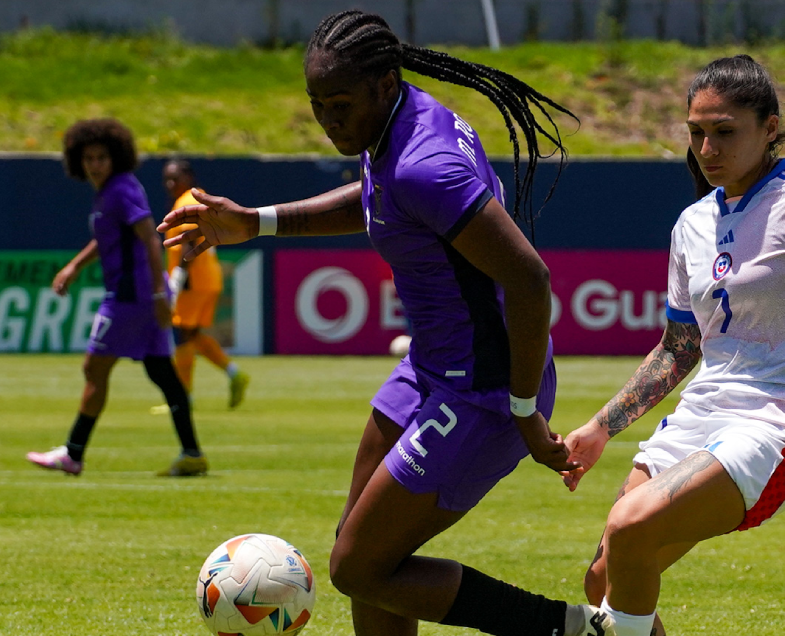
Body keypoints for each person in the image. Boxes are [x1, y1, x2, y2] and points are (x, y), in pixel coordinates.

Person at [160, 10, 610, 636]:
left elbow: (530, 280)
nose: (328, 121)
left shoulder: (423, 164)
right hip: (430, 368)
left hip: (481, 390)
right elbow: (379, 197)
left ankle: (570, 629)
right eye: (317, 105)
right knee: (364, 550)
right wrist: (256, 222)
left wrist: (526, 411)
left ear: (383, 82)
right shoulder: (401, 121)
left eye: (339, 104)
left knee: (359, 566)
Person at [561, 55, 785, 636]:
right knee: (603, 581)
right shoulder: (690, 223)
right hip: (701, 416)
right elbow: (678, 348)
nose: (706, 147)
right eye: (696, 133)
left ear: (769, 128)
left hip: (779, 426)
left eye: (724, 131)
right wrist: (601, 427)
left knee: (629, 528)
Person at [26, 118, 208, 478]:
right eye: (89, 158)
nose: (95, 164)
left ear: (115, 159)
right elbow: (108, 237)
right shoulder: (108, 192)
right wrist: (75, 266)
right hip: (138, 295)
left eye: (101, 158)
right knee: (163, 374)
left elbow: (150, 239)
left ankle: (73, 453)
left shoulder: (122, 189)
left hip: (132, 296)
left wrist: (158, 292)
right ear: (79, 160)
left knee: (94, 368)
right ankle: (192, 454)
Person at [150, 158, 250, 414]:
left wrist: (176, 281)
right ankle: (234, 373)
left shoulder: (186, 202)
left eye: (176, 177)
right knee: (192, 336)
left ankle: (182, 399)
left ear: (189, 177)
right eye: (167, 179)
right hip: (207, 278)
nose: (171, 183)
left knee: (183, 334)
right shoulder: (201, 198)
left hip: (192, 281)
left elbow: (187, 244)